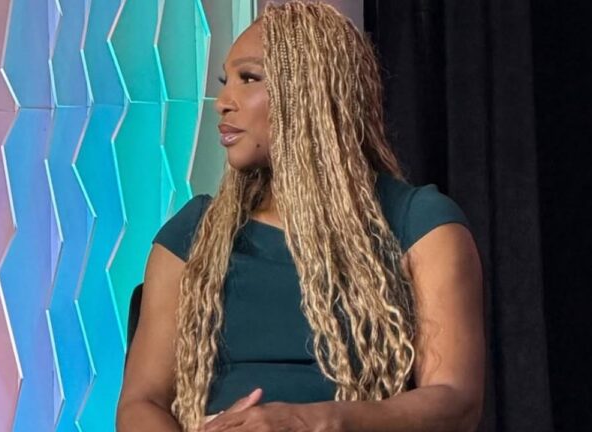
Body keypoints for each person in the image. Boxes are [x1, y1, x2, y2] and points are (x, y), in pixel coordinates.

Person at [116, 2, 484, 431]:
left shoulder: (421, 225)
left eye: (248, 78)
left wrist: (309, 422)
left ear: (309, 91)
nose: (223, 102)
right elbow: (140, 404)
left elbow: (455, 401)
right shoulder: (193, 235)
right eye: (224, 82)